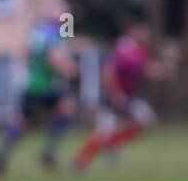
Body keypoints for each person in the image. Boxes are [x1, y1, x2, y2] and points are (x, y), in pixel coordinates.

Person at [0, 0, 79, 176]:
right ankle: (5, 158)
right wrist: (70, 69)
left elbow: (26, 52)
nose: (67, 18)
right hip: (42, 86)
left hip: (36, 84)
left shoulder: (39, 31)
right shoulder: (53, 34)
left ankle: (40, 154)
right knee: (26, 123)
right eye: (64, 14)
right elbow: (53, 59)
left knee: (63, 110)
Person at [72, 21, 168, 172]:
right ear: (132, 32)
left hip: (129, 96)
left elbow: (145, 70)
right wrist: (115, 94)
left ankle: (111, 144)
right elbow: (108, 71)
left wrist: (163, 69)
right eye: (142, 32)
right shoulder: (124, 49)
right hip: (114, 96)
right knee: (104, 130)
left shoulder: (139, 50)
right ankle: (82, 159)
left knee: (146, 122)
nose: (145, 36)